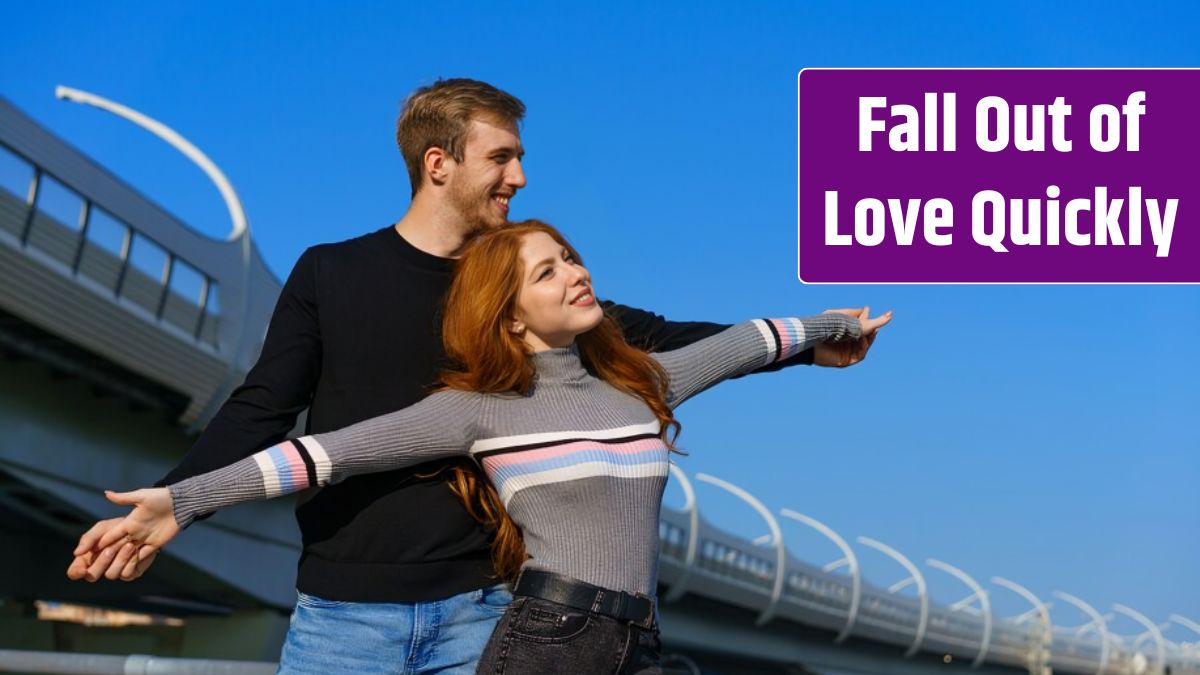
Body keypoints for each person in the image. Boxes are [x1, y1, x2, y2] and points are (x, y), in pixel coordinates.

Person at [66, 79, 839, 674]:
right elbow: (264, 405)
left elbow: (663, 341)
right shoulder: (333, 273)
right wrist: (179, 500)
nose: (521, 176)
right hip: (342, 614)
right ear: (439, 163)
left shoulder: (520, 294)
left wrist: (813, 343)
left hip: (486, 608)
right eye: (502, 156)